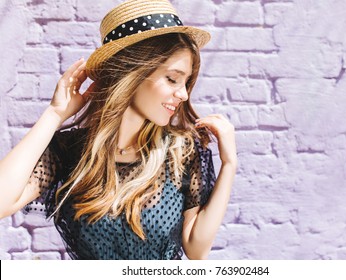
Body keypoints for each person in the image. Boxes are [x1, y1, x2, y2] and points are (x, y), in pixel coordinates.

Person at [0, 0, 236, 260]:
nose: (182, 94)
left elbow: (196, 250)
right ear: (132, 72)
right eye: (172, 78)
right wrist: (54, 114)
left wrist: (229, 164)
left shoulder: (182, 152)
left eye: (186, 82)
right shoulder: (69, 152)